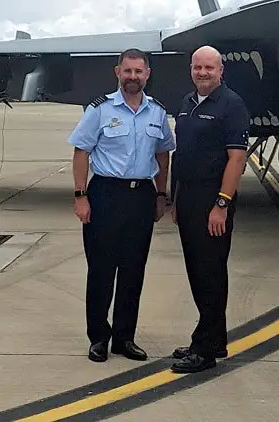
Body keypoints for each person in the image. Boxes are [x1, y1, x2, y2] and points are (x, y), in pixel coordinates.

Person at [68, 48, 175, 363]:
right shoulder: (100, 109)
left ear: (147, 75)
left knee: (133, 272)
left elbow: (163, 153)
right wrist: (80, 195)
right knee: (101, 271)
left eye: (138, 72)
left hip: (141, 196)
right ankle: (99, 338)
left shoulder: (156, 112)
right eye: (127, 71)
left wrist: (160, 194)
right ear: (118, 72)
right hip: (104, 194)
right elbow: (81, 152)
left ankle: (125, 339)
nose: (133, 77)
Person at [168, 45, 251, 374]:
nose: (203, 73)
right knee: (198, 271)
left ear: (221, 71)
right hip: (187, 198)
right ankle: (214, 337)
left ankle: (203, 351)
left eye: (209, 68)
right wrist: (174, 198)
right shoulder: (187, 104)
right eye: (198, 67)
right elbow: (181, 154)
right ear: (191, 69)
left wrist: (222, 204)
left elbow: (237, 159)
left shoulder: (232, 106)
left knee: (210, 273)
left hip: (212, 200)